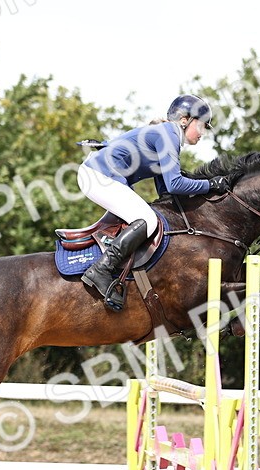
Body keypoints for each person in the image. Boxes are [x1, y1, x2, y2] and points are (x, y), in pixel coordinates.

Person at [77, 94, 231, 311]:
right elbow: (176, 184)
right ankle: (101, 269)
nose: (204, 132)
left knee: (147, 217)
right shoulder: (169, 134)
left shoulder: (167, 135)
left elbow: (166, 191)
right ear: (185, 119)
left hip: (99, 175)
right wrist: (210, 185)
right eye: (203, 125)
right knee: (147, 220)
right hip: (98, 175)